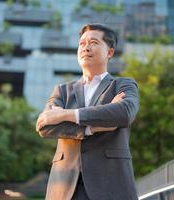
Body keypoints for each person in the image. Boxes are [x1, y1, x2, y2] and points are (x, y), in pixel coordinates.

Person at [36, 23, 139, 200]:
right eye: (82, 43)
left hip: (110, 184)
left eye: (93, 42)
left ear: (110, 52)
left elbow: (123, 113)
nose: (86, 48)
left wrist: (66, 115)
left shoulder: (123, 85)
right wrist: (90, 128)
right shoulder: (62, 91)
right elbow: (45, 127)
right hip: (64, 187)